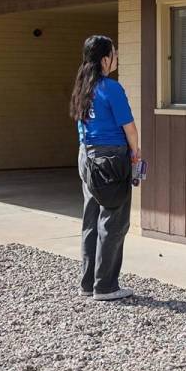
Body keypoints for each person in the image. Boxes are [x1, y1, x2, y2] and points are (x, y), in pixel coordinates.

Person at [70, 35, 140, 301]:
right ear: (105, 60)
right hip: (111, 159)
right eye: (115, 54)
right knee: (114, 221)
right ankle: (106, 286)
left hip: (85, 156)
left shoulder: (82, 87)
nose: (117, 59)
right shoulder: (111, 88)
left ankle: (88, 283)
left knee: (91, 219)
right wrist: (136, 152)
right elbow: (129, 127)